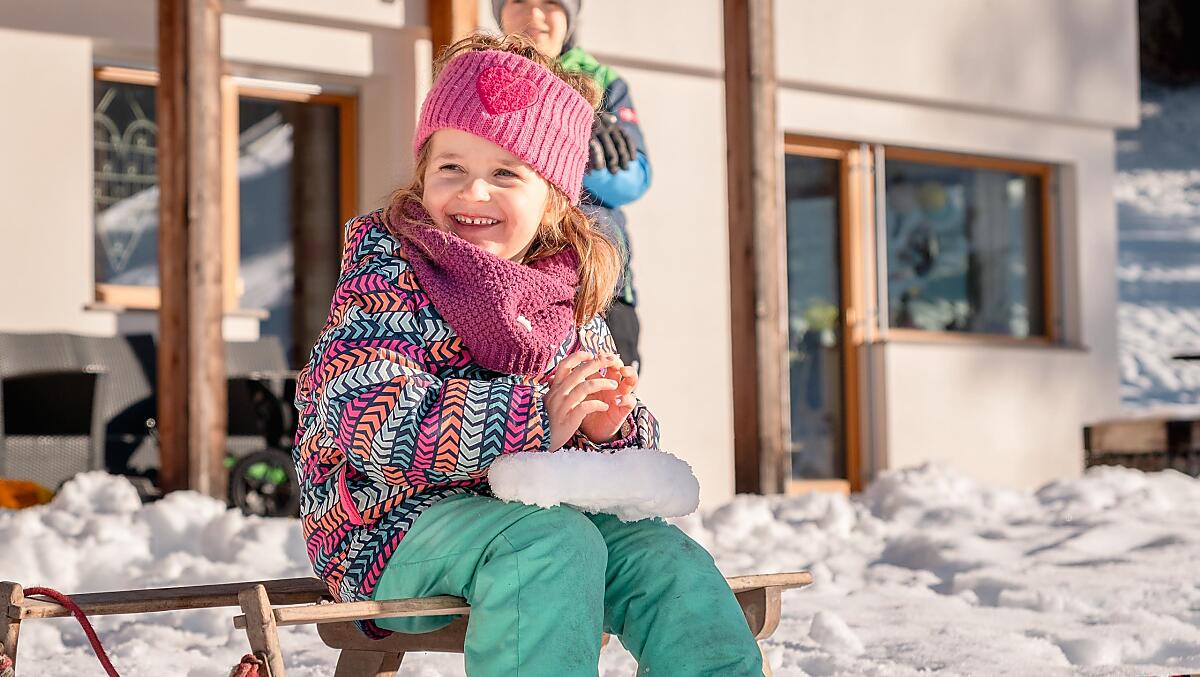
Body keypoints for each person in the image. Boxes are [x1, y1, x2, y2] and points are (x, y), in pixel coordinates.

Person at [292, 34, 763, 676]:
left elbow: (602, 433)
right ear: (422, 176)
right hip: (386, 529)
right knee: (549, 543)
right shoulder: (389, 277)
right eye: (450, 167)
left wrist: (610, 429)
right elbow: (368, 415)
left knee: (661, 557)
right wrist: (535, 417)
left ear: (555, 199)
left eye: (505, 174)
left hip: (539, 521)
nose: (473, 192)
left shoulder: (563, 295)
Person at [495, 0, 651, 370]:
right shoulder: (483, 75)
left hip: (596, 280)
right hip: (505, 274)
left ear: (570, 15)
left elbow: (632, 181)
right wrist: (563, 133)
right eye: (519, 0)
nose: (534, 15)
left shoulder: (603, 81)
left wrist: (580, 150)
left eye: (550, 3)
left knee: (605, 396)